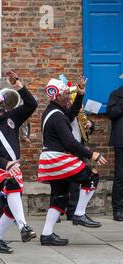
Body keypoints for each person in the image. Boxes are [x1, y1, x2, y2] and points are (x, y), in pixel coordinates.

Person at [38, 75, 107, 246]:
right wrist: (92, 154)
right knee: (91, 176)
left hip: (50, 158)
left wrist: (81, 92)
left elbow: (72, 112)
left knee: (59, 197)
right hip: (56, 158)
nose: (69, 97)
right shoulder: (57, 116)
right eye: (66, 94)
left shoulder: (54, 112)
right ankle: (79, 214)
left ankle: (46, 235)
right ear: (56, 96)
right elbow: (70, 142)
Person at [0, 71, 38, 254]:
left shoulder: (12, 118)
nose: (1, 109)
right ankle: (24, 227)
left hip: (11, 169)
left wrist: (18, 85)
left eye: (2, 105)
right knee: (11, 187)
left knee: (11, 208)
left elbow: (32, 104)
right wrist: (5, 164)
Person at [66, 90, 95, 221]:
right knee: (60, 183)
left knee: (75, 183)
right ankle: (58, 210)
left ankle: (72, 211)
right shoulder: (66, 113)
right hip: (67, 149)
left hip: (79, 149)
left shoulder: (81, 114)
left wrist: (90, 125)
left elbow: (87, 130)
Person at [107, 83, 123, 221]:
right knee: (120, 177)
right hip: (121, 141)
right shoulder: (116, 94)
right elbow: (111, 114)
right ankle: (118, 210)